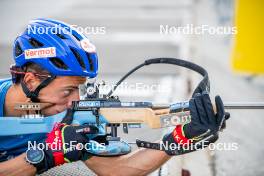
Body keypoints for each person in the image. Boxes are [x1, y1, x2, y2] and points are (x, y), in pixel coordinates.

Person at [0, 19, 229, 176]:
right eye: (67, 91)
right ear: (31, 81)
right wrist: (45, 156)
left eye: (79, 89)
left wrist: (179, 139)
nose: (75, 101)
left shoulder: (73, 117)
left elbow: (117, 170)